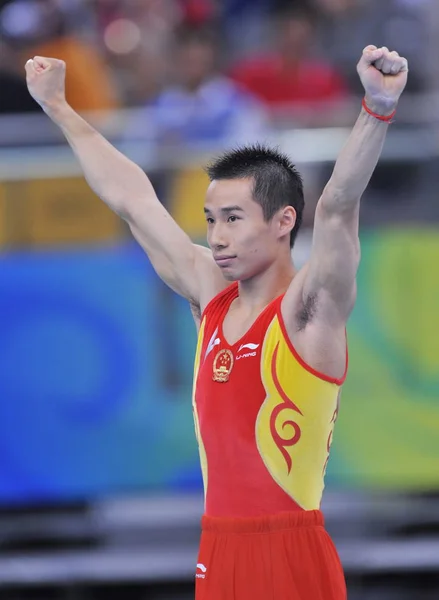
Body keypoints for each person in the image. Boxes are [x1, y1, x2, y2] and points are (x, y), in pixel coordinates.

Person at [24, 45, 408, 599]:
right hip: (218, 551)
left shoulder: (310, 311)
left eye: (233, 218)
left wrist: (376, 107)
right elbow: (132, 198)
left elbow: (337, 207)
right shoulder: (211, 297)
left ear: (283, 221)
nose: (217, 236)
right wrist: (59, 106)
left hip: (289, 549)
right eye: (210, 220)